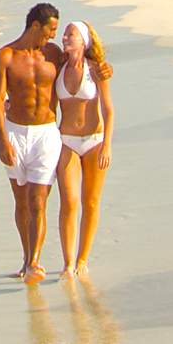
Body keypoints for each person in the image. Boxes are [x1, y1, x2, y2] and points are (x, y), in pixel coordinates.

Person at [0, 2, 62, 284]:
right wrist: (1, 141)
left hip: (46, 133)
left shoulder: (54, 54)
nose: (53, 36)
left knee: (38, 201)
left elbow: (82, 68)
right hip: (16, 134)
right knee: (21, 201)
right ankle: (26, 256)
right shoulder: (5, 56)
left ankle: (35, 262)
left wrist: (103, 67)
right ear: (36, 26)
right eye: (50, 30)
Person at [55, 20, 114, 279]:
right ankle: (68, 262)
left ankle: (82, 258)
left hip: (95, 141)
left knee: (90, 202)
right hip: (66, 140)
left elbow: (109, 110)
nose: (65, 37)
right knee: (69, 202)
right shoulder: (58, 67)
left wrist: (107, 147)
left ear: (84, 41)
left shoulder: (96, 69)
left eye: (71, 34)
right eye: (65, 33)